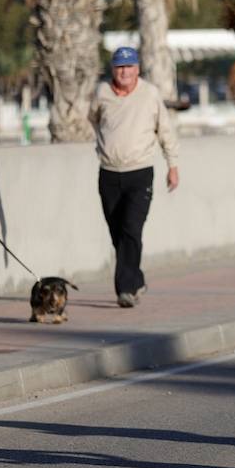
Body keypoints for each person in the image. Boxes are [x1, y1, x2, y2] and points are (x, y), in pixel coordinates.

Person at [89, 46, 181, 308]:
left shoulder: (150, 94)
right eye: (119, 66)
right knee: (117, 232)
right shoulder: (102, 92)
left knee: (131, 228)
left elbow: (165, 130)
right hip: (108, 174)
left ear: (137, 69)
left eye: (129, 66)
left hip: (139, 173)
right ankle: (137, 278)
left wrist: (172, 165)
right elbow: (94, 119)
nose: (124, 71)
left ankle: (126, 289)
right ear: (112, 70)